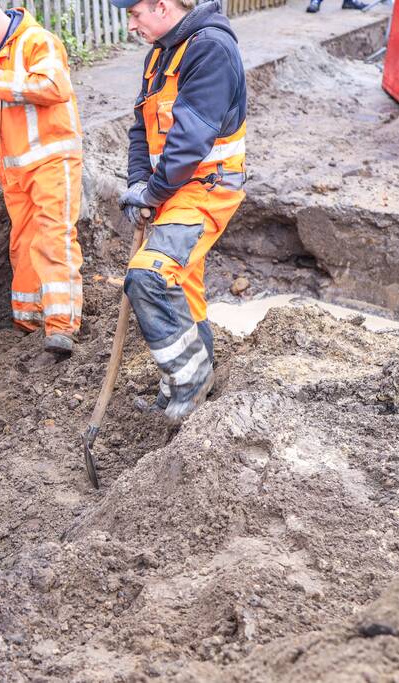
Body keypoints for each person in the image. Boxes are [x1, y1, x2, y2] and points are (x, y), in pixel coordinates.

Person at [111, 0, 246, 423]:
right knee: (181, 286)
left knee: (148, 277)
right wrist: (138, 185)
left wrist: (152, 194)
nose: (131, 25)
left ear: (163, 6)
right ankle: (184, 384)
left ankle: (191, 380)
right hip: (173, 188)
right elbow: (140, 128)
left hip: (206, 187)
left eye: (135, 15)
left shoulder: (210, 50)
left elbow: (191, 140)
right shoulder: (160, 53)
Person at [0, 0, 83, 368]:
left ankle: (61, 328)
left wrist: (2, 83)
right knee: (23, 241)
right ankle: (27, 319)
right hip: (13, 169)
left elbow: (55, 85)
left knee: (54, 238)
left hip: (51, 161)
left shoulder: (38, 41)